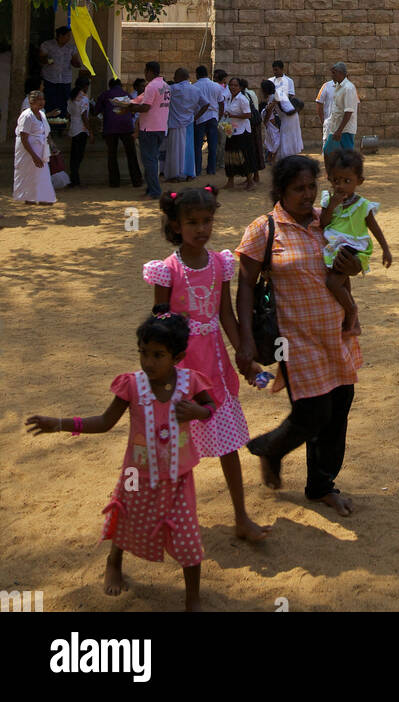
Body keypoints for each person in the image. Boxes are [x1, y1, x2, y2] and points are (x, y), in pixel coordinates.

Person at [26, 308, 215, 610]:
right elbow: (104, 421)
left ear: (177, 357)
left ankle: (193, 597)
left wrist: (198, 412)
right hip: (135, 474)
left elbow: (210, 406)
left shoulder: (190, 382)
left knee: (189, 538)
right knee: (126, 520)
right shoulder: (131, 385)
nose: (148, 362)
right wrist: (59, 423)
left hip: (179, 477)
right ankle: (114, 561)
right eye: (143, 353)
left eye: (158, 355)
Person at [236, 154, 362, 515]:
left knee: (338, 409)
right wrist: (245, 339)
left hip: (335, 331)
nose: (307, 195)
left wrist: (353, 267)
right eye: (298, 189)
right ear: (280, 191)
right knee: (312, 413)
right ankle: (269, 447)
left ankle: (321, 485)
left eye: (312, 187)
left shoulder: (330, 221)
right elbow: (245, 284)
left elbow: (348, 266)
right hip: (293, 339)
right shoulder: (263, 229)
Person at [144, 187, 270, 543]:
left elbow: (225, 314)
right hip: (180, 371)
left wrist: (243, 354)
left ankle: (241, 517)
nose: (202, 229)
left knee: (228, 444)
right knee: (174, 450)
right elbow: (160, 325)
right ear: (176, 225)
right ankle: (166, 518)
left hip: (213, 368)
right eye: (192, 222)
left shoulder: (220, 264)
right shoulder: (166, 271)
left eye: (207, 221)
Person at [320, 151, 392, 333]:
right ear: (330, 179)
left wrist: (386, 249)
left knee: (333, 283)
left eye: (347, 181)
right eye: (336, 181)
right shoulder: (329, 200)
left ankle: (352, 310)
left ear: (359, 181)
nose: (340, 186)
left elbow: (375, 228)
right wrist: (331, 206)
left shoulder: (362, 205)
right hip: (335, 246)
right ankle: (351, 315)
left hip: (353, 247)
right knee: (342, 282)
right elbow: (323, 222)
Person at [126, 62, 171, 201]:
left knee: (149, 161)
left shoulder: (151, 86)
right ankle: (150, 189)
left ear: (150, 71)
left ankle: (154, 191)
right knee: (151, 160)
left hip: (149, 128)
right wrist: (131, 102)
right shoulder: (165, 85)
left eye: (145, 71)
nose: (145, 74)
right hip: (160, 127)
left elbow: (145, 107)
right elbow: (142, 98)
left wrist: (130, 108)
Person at [93, 78, 142, 188]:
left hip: (110, 128)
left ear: (109, 86)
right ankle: (137, 180)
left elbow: (96, 111)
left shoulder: (105, 95)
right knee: (131, 154)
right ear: (121, 86)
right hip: (126, 127)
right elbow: (133, 112)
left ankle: (114, 182)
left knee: (112, 155)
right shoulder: (127, 95)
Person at [13, 88, 56, 204]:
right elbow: (23, 137)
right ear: (31, 102)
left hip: (40, 148)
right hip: (28, 150)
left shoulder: (42, 114)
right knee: (28, 173)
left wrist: (50, 145)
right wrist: (34, 156)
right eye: (38, 100)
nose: (41, 102)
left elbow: (45, 132)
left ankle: (43, 197)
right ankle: (29, 197)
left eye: (42, 99)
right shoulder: (26, 116)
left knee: (42, 173)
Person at [38, 26, 83, 116]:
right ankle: (50, 123)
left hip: (65, 80)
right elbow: (41, 58)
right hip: (50, 78)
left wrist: (78, 64)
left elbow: (75, 60)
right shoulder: (47, 45)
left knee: (63, 102)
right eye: (67, 36)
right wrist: (47, 60)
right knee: (50, 101)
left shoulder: (71, 48)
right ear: (60, 36)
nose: (69, 38)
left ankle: (61, 123)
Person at [323, 62, 359, 168]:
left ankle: (350, 174)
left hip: (345, 129)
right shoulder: (339, 86)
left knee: (347, 156)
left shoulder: (348, 88)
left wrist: (340, 130)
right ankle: (331, 174)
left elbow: (348, 112)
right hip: (336, 128)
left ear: (340, 73)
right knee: (327, 151)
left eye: (334, 73)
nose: (332, 75)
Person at [223, 77, 257, 191]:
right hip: (231, 129)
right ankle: (230, 181)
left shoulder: (242, 99)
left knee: (243, 156)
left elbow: (248, 115)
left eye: (235, 85)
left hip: (242, 131)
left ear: (240, 87)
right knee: (229, 155)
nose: (233, 87)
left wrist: (233, 116)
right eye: (231, 85)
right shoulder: (228, 98)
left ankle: (250, 181)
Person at [165, 68, 198, 183]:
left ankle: (174, 175)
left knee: (174, 149)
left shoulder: (172, 89)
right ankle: (189, 173)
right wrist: (195, 117)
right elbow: (206, 104)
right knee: (189, 149)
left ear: (178, 77)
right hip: (189, 122)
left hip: (175, 123)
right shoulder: (195, 89)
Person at [192, 65, 224, 178]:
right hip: (213, 116)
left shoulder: (195, 86)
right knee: (213, 145)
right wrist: (219, 115)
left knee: (197, 145)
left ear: (197, 74)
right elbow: (221, 102)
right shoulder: (216, 86)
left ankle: (197, 169)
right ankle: (211, 169)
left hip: (200, 117)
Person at [67, 76, 93, 188]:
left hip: (73, 128)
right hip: (81, 129)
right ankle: (75, 179)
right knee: (79, 156)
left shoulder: (72, 97)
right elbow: (84, 116)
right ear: (85, 86)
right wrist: (90, 131)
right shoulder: (84, 98)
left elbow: (68, 114)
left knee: (74, 156)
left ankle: (74, 178)